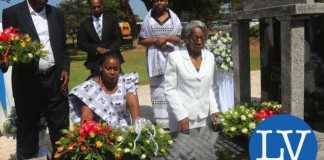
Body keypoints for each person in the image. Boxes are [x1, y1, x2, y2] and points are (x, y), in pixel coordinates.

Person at [1, 0, 70, 159]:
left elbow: (63, 47)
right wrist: (4, 61)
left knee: (60, 126)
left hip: (55, 79)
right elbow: (7, 48)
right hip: (27, 82)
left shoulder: (56, 13)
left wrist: (65, 68)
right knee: (27, 127)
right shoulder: (12, 13)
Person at [164, 20, 219, 133]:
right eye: (196, 38)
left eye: (202, 38)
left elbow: (211, 87)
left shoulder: (210, 57)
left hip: (204, 117)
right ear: (187, 39)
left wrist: (214, 110)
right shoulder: (175, 58)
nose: (199, 41)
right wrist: (181, 115)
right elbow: (170, 90)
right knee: (182, 149)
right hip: (183, 118)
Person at [138, 0, 182, 129]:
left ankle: (176, 117)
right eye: (156, 0)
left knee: (174, 86)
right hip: (154, 58)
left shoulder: (174, 18)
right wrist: (156, 40)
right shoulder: (148, 19)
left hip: (172, 57)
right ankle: (162, 122)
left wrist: (166, 38)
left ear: (167, 1)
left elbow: (179, 39)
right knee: (158, 90)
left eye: (162, 0)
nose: (159, 3)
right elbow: (141, 40)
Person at [69, 53, 140, 127]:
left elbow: (134, 107)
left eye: (116, 69)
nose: (112, 72)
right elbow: (87, 118)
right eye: (108, 68)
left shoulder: (126, 82)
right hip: (100, 131)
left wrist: (138, 129)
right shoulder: (90, 88)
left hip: (124, 130)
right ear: (101, 67)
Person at [78, 0, 124, 76]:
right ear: (90, 8)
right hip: (95, 62)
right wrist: (96, 49)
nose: (96, 9)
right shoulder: (84, 24)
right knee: (97, 87)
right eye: (94, 7)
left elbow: (119, 39)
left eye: (98, 7)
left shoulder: (112, 19)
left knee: (117, 85)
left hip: (113, 60)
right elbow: (81, 43)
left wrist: (109, 50)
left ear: (102, 6)